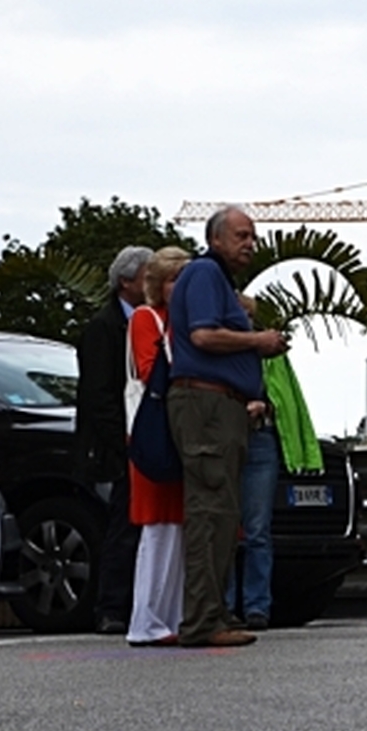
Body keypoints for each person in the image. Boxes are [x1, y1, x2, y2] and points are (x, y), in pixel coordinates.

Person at [164, 207, 286, 649]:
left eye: (252, 236)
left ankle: (212, 613)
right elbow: (202, 336)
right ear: (215, 239)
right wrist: (257, 341)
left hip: (221, 406)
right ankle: (202, 621)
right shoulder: (204, 274)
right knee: (211, 513)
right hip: (207, 406)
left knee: (221, 513)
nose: (250, 243)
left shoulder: (216, 279)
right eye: (241, 235)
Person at [229, 292, 323, 632]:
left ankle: (257, 606)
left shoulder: (271, 352)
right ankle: (223, 605)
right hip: (226, 437)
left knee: (257, 529)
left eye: (246, 315)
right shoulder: (219, 351)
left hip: (261, 439)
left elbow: (288, 398)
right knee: (224, 527)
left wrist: (265, 406)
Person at [76, 247, 153, 633]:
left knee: (140, 526)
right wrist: (122, 444)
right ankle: (111, 607)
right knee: (122, 526)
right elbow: (99, 395)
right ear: (127, 282)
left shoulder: (150, 323)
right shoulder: (103, 329)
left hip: (140, 440)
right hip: (118, 446)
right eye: (147, 277)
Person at [124, 248, 191, 646]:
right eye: (173, 280)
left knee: (177, 527)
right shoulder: (146, 320)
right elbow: (149, 371)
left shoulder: (174, 321)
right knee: (158, 527)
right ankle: (148, 618)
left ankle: (172, 617)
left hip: (176, 431)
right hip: (156, 432)